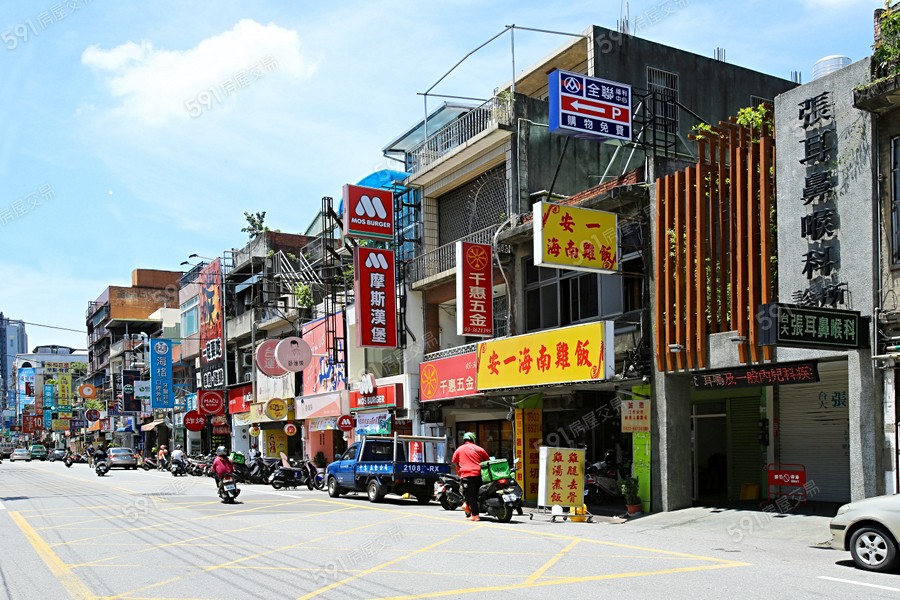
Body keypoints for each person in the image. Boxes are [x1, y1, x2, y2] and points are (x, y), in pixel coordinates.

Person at [451, 432, 489, 522]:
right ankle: (471, 509)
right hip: (479, 475)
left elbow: (454, 461)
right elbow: (487, 460)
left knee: (470, 495)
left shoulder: (459, 449)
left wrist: (460, 467)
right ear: (473, 439)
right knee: (479, 493)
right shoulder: (479, 449)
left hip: (466, 475)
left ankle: (475, 515)